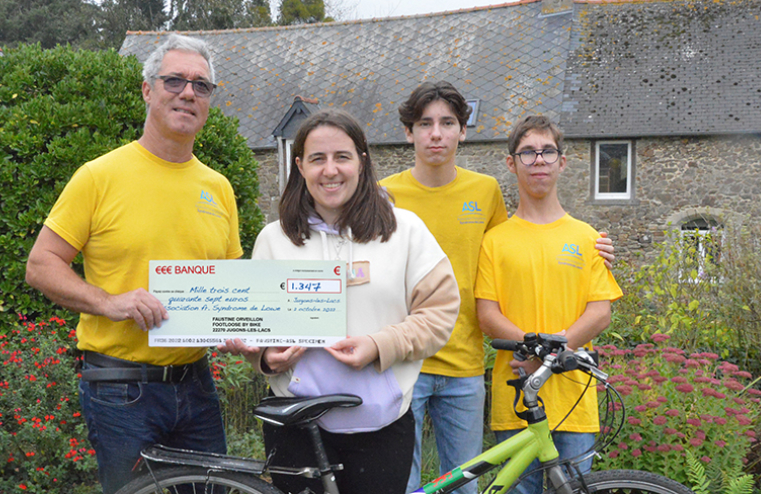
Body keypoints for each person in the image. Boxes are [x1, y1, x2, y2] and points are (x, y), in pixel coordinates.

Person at [25, 35, 242, 494]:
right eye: (175, 81)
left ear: (209, 101)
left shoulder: (218, 187)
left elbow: (232, 285)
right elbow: (42, 264)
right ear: (148, 90)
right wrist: (109, 302)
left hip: (196, 382)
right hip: (121, 387)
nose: (188, 93)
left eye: (201, 86)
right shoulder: (99, 176)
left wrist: (247, 330)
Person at [379, 81, 615, 494]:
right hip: (404, 361)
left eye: (447, 123)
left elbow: (524, 249)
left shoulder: (485, 193)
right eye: (425, 123)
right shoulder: (384, 195)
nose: (436, 133)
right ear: (408, 131)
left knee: (466, 487)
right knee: (404, 483)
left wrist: (598, 249)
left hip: (465, 367)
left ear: (462, 131)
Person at [225, 108, 460, 494]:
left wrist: (379, 345)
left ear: (362, 161)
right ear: (300, 165)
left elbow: (440, 314)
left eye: (342, 157)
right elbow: (258, 326)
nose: (330, 170)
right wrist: (266, 357)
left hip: (381, 425)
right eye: (317, 159)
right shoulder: (273, 239)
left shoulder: (406, 231)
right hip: (296, 425)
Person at [475, 115, 623, 494]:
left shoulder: (588, 237)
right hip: (517, 399)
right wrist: (535, 348)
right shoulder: (494, 240)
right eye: (527, 152)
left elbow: (600, 311)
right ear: (511, 163)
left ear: (562, 161)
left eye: (547, 151)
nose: (538, 160)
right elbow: (487, 314)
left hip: (574, 397)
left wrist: (552, 353)